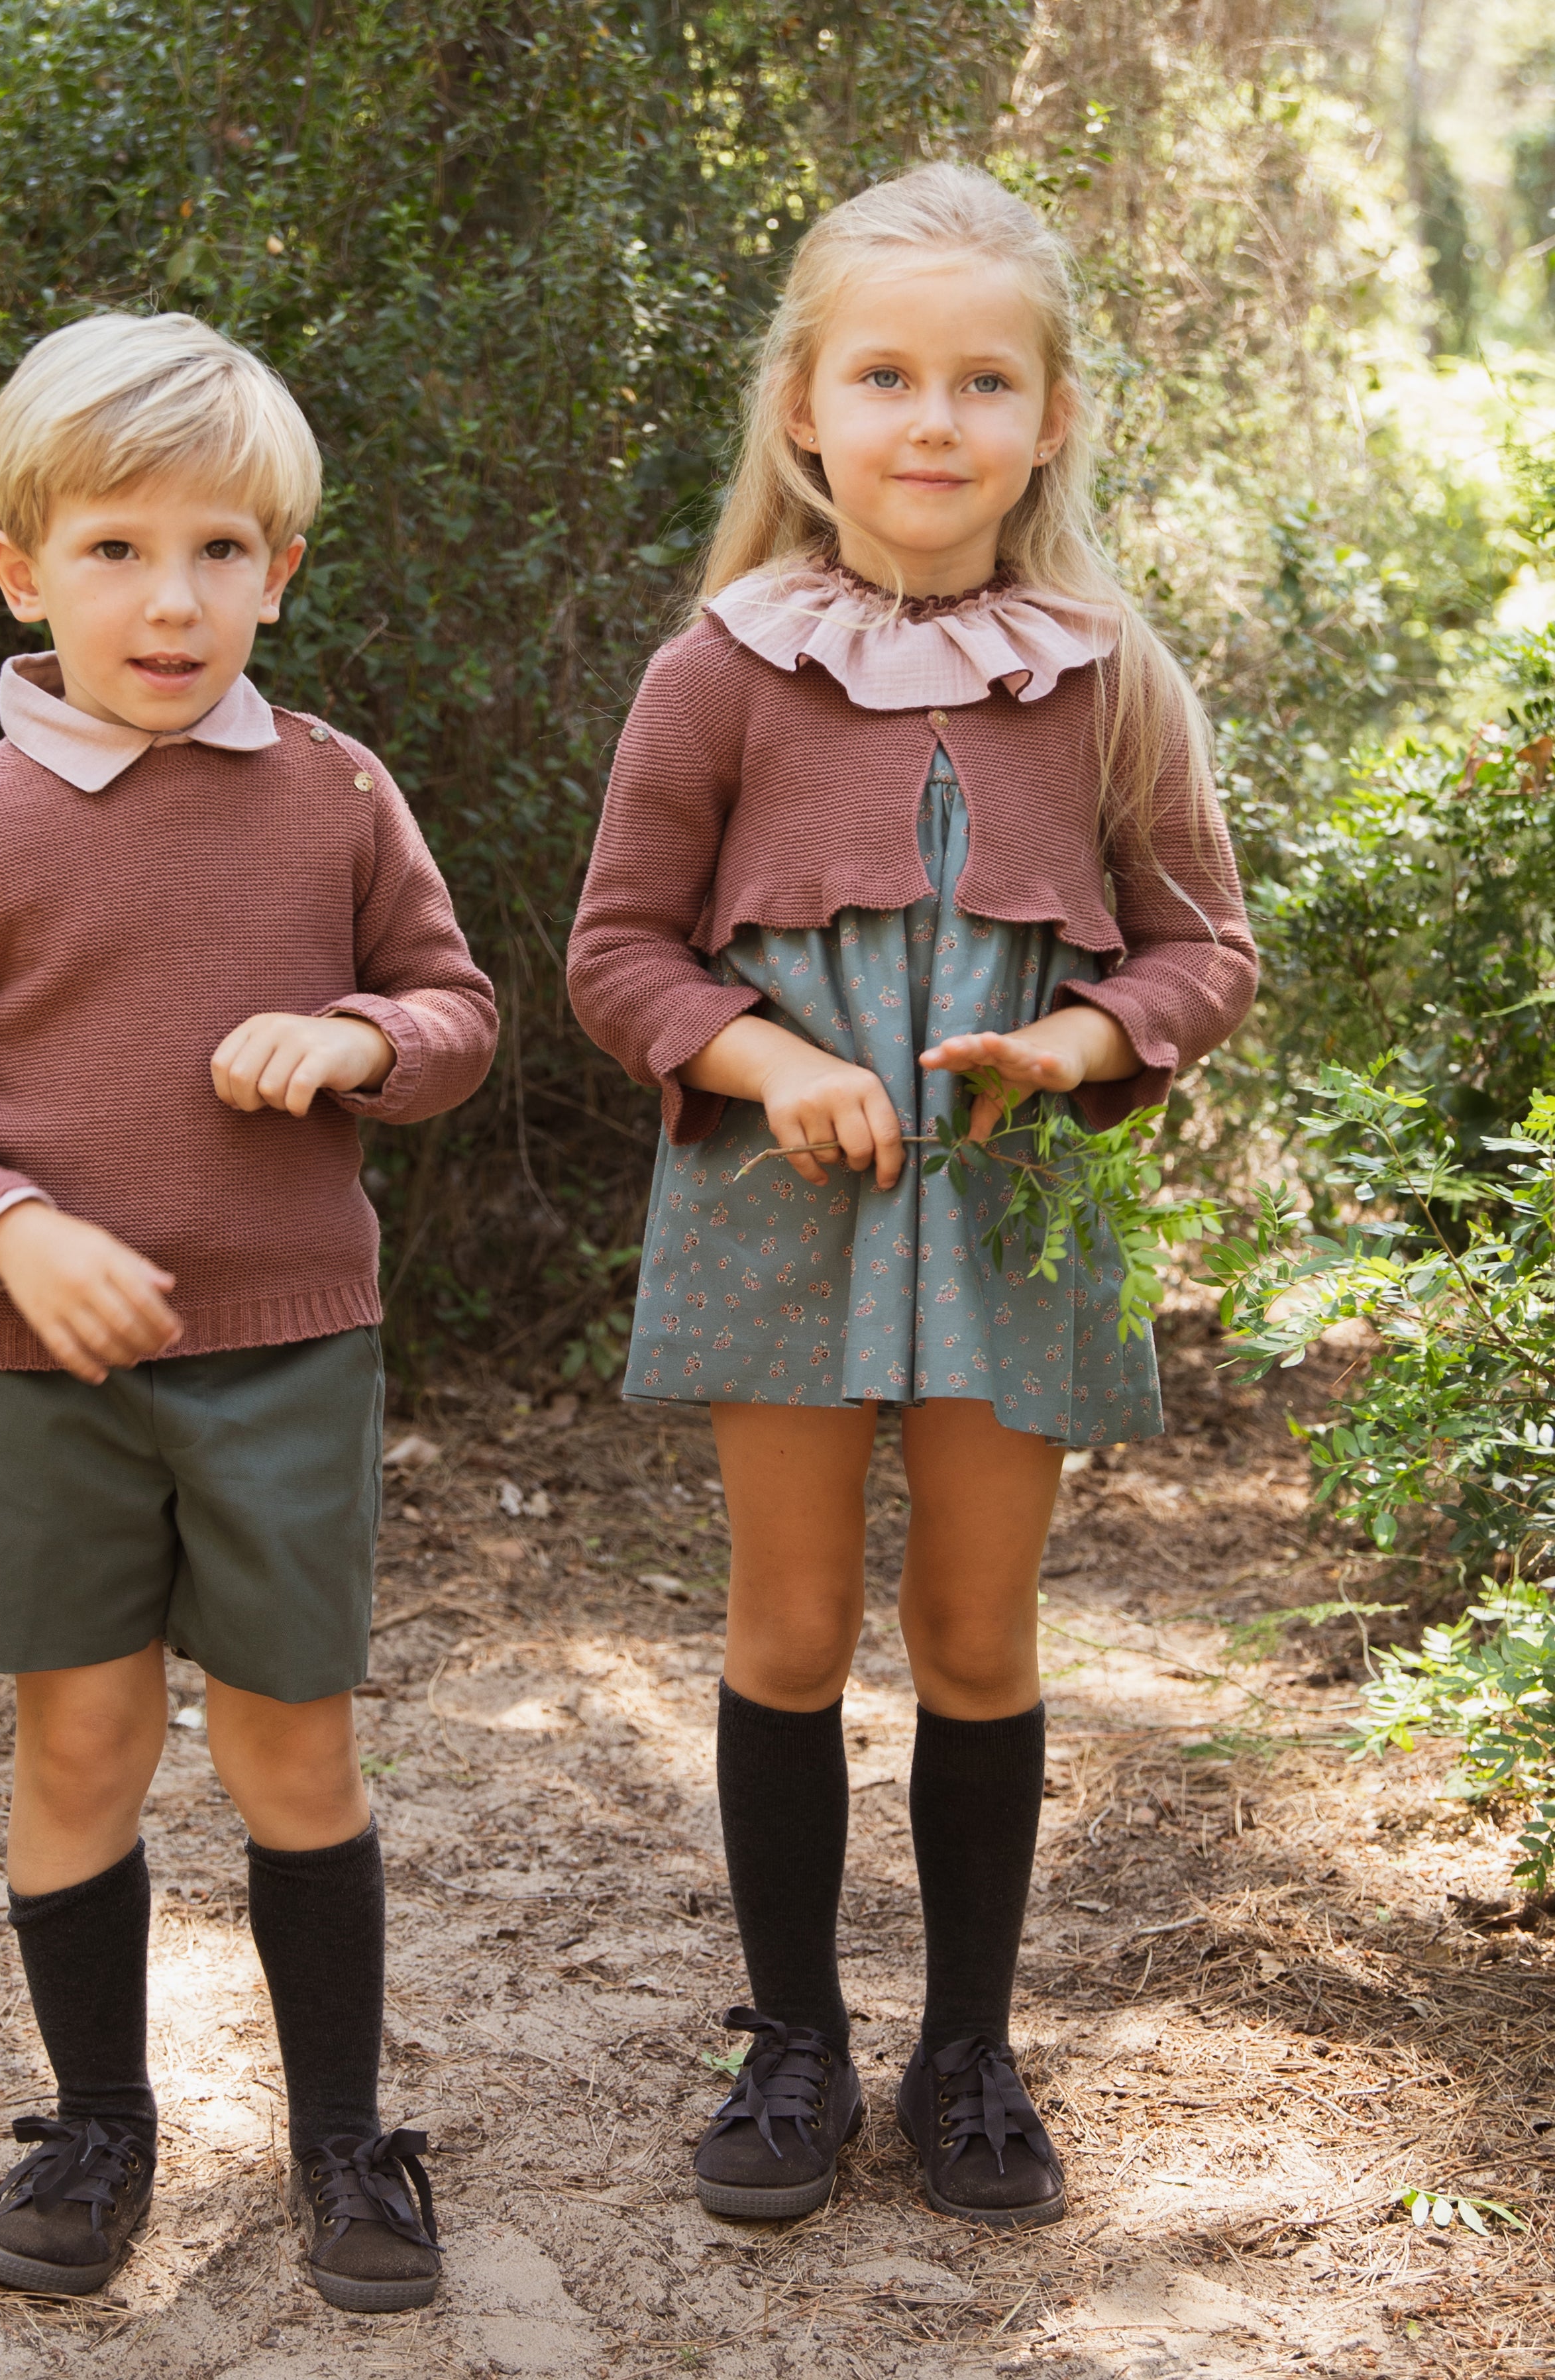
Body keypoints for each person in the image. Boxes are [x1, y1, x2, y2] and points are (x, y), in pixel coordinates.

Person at [567, 162, 1255, 2232]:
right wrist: (770, 1061)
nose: (930, 419)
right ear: (803, 411)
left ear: (1049, 419)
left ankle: (968, 2049)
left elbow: (1203, 947)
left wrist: (1077, 1044)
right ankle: (791, 2043)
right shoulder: (718, 669)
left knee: (973, 1625)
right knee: (784, 1622)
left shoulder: (1109, 673)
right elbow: (620, 954)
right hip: (779, 1202)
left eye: (980, 380)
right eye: (884, 375)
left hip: (1010, 1207)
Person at [0, 313, 496, 2310]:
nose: (172, 597)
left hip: (287, 1347)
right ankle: (99, 2115)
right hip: (40, 1372)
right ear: (22, 571)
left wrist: (360, 1032)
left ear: (279, 570)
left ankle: (340, 2142)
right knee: (85, 1741)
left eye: (220, 551)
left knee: (295, 1749)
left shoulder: (333, 791)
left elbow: (458, 1016)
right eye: (115, 549)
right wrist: (6, 1227)